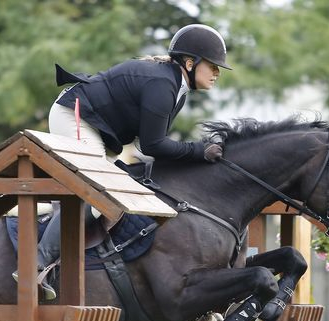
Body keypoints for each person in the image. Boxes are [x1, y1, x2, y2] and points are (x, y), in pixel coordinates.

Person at [19, 23, 230, 300]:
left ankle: (35, 216)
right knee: (96, 192)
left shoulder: (175, 88)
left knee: (114, 189)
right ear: (190, 63)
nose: (216, 73)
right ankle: (35, 264)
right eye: (213, 66)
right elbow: (155, 145)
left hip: (100, 129)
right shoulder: (163, 84)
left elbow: (146, 146)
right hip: (76, 115)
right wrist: (198, 151)